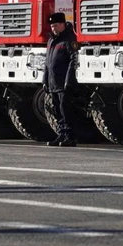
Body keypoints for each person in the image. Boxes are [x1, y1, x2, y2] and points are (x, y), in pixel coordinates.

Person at [43, 12, 79, 147]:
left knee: (65, 110)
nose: (54, 29)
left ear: (63, 24)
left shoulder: (69, 39)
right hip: (53, 82)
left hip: (63, 83)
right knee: (57, 110)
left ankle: (69, 136)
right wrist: (45, 80)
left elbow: (73, 60)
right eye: (52, 26)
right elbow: (47, 63)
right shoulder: (51, 40)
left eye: (56, 25)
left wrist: (68, 80)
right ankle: (61, 134)